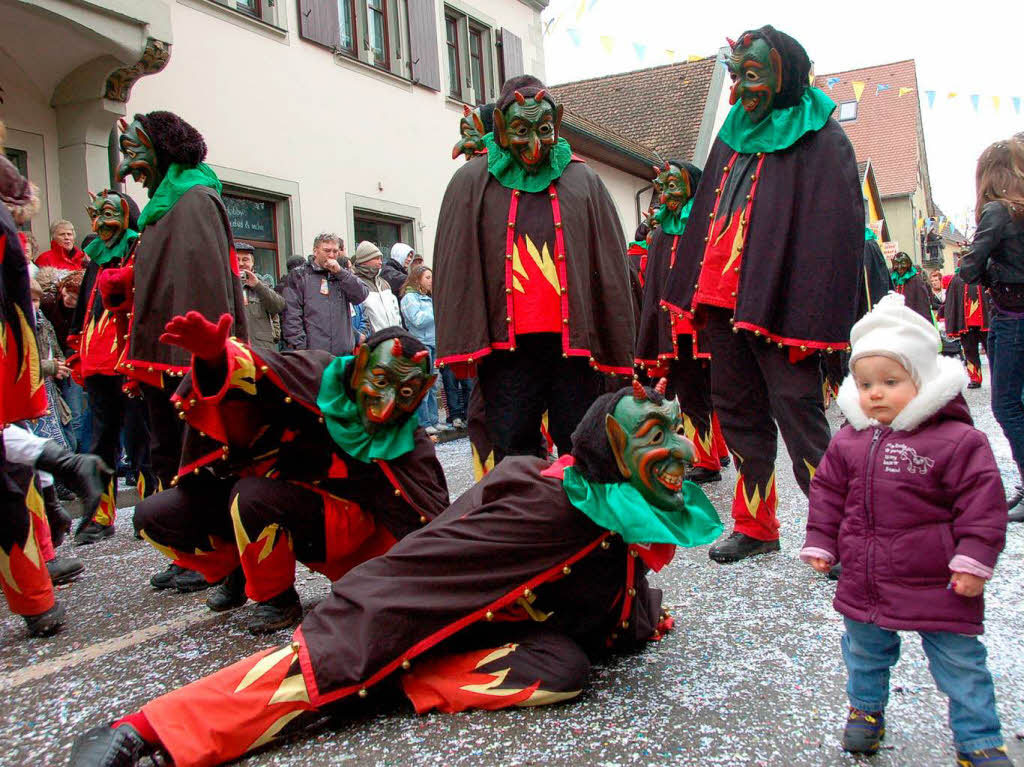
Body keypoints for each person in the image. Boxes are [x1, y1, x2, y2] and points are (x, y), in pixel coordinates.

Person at [68, 381, 724, 767]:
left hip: (486, 621)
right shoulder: (549, 504)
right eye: (655, 433)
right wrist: (147, 728)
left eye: (674, 427)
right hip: (406, 592)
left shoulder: (601, 512)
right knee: (333, 665)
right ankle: (147, 725)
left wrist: (641, 617)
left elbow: (606, 579)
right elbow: (423, 567)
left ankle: (399, 683)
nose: (681, 446)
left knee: (565, 668)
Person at [661, 26, 863, 562]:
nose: (739, 91)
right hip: (723, 301)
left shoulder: (822, 137)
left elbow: (835, 238)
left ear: (783, 74)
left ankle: (839, 534)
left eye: (751, 77)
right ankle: (756, 524)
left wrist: (816, 322)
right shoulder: (731, 134)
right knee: (739, 412)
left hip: (782, 308)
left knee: (798, 414)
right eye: (736, 76)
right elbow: (707, 213)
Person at [133, 316, 450, 633]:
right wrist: (215, 359)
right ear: (360, 360)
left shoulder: (409, 442)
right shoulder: (314, 374)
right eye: (380, 381)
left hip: (332, 527)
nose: (384, 408)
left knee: (252, 497)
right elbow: (259, 370)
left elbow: (433, 518)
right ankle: (239, 568)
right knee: (154, 516)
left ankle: (277, 599)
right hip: (258, 493)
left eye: (406, 392)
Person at [801, 293, 1011, 766]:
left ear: (922, 379)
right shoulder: (850, 441)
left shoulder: (957, 441)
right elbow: (829, 494)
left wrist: (974, 560)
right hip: (867, 578)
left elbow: (982, 506)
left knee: (960, 664)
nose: (875, 393)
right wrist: (821, 541)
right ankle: (866, 711)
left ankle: (978, 739)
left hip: (941, 580)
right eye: (866, 383)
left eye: (891, 381)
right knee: (864, 652)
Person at [434, 75, 635, 465]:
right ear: (502, 130)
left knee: (580, 441)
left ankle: (579, 522)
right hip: (506, 347)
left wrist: (616, 336)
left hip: (573, 346)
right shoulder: (472, 180)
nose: (535, 145)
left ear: (556, 124)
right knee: (511, 442)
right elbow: (455, 265)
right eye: (522, 131)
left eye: (543, 130)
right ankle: (523, 520)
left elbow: (610, 267)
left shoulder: (584, 180)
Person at [101, 111, 249, 493]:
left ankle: (208, 544)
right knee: (166, 453)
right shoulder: (161, 209)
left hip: (187, 363)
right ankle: (185, 540)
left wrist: (206, 360)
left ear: (162, 150)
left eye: (133, 151)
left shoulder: (196, 200)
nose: (127, 170)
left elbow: (207, 285)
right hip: (162, 358)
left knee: (196, 456)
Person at [65, 189, 156, 544]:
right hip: (98, 365)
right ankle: (100, 516)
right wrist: (77, 351)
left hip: (130, 362)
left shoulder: (139, 253)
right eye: (97, 215)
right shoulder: (97, 261)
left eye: (109, 214)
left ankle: (152, 513)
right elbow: (84, 311)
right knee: (100, 441)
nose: (102, 223)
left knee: (140, 440)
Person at [635, 160, 722, 485]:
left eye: (675, 186)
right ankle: (706, 458)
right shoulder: (661, 234)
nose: (668, 194)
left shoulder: (706, 227)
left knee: (718, 395)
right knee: (690, 395)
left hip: (708, 330)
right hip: (676, 334)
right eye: (664, 187)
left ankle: (718, 454)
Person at [959, 138, 1024, 524]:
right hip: (1012, 314)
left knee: (1006, 406)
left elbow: (970, 266)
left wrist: (979, 273)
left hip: (1011, 316)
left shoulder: (999, 210)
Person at [283, 233, 368, 356]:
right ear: (315, 251)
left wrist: (340, 273)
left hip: (343, 353)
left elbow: (361, 295)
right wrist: (301, 350)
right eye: (327, 250)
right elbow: (292, 316)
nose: (332, 255)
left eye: (335, 251)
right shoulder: (299, 275)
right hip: (314, 355)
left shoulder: (342, 274)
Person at [400, 265, 444, 435]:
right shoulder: (410, 298)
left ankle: (434, 419)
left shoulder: (430, 298)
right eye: (427, 277)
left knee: (433, 385)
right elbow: (417, 320)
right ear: (417, 279)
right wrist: (436, 312)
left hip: (434, 342)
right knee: (422, 385)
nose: (431, 280)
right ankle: (424, 422)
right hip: (421, 344)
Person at [943, 268, 991, 389]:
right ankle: (975, 377)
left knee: (992, 351)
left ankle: (998, 377)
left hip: (985, 322)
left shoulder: (985, 274)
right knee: (969, 352)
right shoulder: (957, 279)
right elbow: (951, 302)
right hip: (966, 323)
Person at [235, 242, 285, 353]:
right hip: (235, 349)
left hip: (261, 350)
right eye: (237, 259)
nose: (241, 263)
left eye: (245, 259)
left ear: (252, 263)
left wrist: (257, 286)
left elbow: (278, 307)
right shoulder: (225, 285)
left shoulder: (264, 284)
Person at [352, 241, 402, 334]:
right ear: (364, 260)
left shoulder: (384, 283)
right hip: (372, 341)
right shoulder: (356, 284)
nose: (380, 262)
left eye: (381, 258)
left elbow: (395, 311)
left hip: (393, 338)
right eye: (376, 258)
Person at [890, 252, 933, 321]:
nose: (900, 267)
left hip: (912, 320)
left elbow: (923, 305)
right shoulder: (892, 280)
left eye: (903, 263)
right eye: (897, 264)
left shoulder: (916, 280)